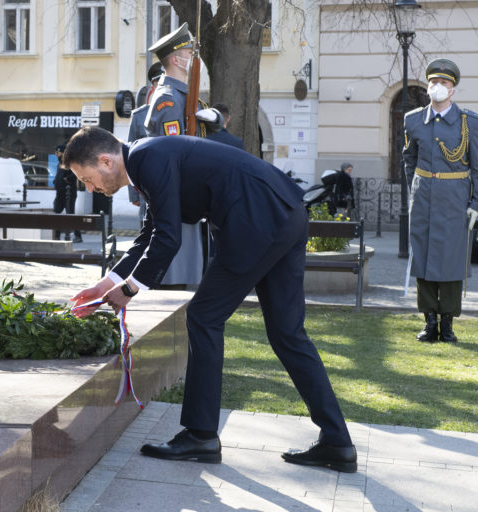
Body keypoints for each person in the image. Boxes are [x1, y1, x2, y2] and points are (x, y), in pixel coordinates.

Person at [64, 126, 357, 473]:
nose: (90, 188)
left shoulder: (147, 158)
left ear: (105, 161)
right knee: (287, 333)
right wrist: (106, 283)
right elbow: (151, 233)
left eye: (87, 179)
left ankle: (200, 435)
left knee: (203, 316)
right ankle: (337, 443)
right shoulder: (148, 157)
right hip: (285, 213)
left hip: (256, 222)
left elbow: (168, 238)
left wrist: (129, 290)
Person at [403, 58, 478, 343]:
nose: (438, 87)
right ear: (427, 87)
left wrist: (477, 205)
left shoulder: (470, 122)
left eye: (444, 83)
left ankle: (447, 323)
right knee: (424, 258)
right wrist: (415, 190)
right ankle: (429, 322)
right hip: (423, 199)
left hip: (455, 200)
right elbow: (409, 160)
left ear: (453, 90)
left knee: (451, 262)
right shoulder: (413, 120)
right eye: (434, 82)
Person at [144, 23, 223, 288]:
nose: (193, 59)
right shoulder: (168, 99)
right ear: (177, 60)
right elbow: (172, 153)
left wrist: (215, 118)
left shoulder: (184, 97)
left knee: (187, 270)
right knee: (174, 274)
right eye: (190, 54)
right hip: (176, 196)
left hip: (186, 195)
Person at [127, 61, 164, 225]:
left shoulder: (185, 111)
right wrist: (133, 193)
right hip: (146, 187)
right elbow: (130, 155)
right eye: (158, 82)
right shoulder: (139, 116)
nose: (162, 85)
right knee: (147, 229)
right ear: (153, 86)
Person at [53, 143, 82, 243]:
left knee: (70, 214)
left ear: (63, 153)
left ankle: (78, 236)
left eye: (58, 152)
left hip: (69, 193)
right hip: (59, 193)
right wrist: (56, 182)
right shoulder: (59, 164)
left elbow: (75, 175)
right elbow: (58, 176)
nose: (56, 154)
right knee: (56, 213)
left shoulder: (70, 163)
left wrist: (67, 179)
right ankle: (56, 236)